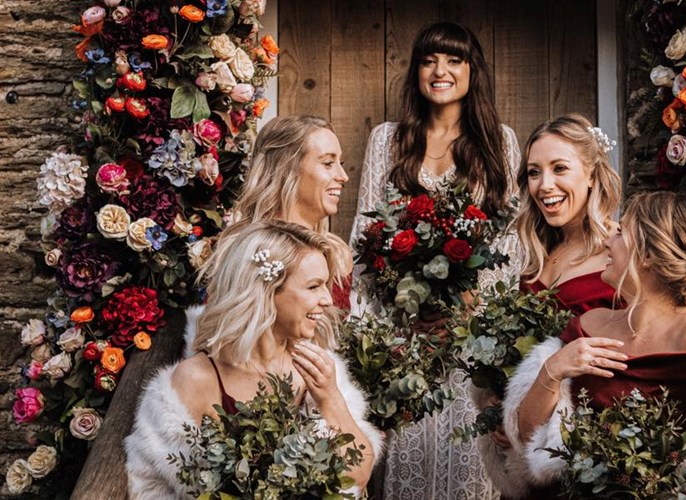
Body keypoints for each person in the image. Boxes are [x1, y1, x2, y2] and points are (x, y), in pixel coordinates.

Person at [502, 192, 686, 499]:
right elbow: (529, 439)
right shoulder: (590, 324)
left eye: (621, 233)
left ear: (647, 255)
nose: (608, 240)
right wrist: (552, 370)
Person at [350, 21, 520, 500]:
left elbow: (509, 245)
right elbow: (365, 240)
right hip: (405, 338)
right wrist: (396, 322)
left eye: (453, 60)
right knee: (409, 457)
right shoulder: (387, 140)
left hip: (472, 340)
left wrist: (468, 311)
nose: (439, 71)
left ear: (472, 71)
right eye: (429, 60)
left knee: (472, 466)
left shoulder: (499, 142)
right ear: (416, 71)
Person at [125, 221, 383, 499]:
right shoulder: (192, 382)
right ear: (265, 290)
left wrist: (331, 399)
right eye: (313, 286)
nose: (327, 299)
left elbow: (358, 476)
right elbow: (148, 488)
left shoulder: (317, 367)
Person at [478, 114, 622, 499]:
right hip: (531, 457)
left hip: (588, 456)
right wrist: (504, 407)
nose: (545, 186)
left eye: (560, 168)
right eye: (534, 173)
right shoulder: (539, 255)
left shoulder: (620, 254)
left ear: (592, 174)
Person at [235, 114, 353, 309]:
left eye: (341, 164)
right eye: (328, 163)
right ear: (287, 169)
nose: (343, 176)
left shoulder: (337, 254)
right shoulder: (248, 252)